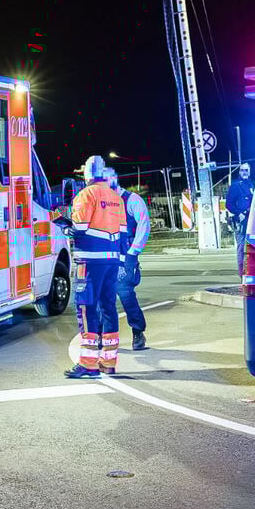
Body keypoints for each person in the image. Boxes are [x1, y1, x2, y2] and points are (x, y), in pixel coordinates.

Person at [63, 155, 127, 378]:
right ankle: (108, 363)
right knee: (108, 308)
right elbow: (123, 235)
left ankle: (89, 364)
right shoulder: (115, 197)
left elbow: (79, 228)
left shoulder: (85, 195)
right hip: (111, 261)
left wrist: (65, 228)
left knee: (86, 308)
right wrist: (121, 261)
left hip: (89, 262)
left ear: (87, 174)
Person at [102, 167, 150, 351]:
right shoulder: (103, 203)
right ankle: (103, 337)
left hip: (125, 259)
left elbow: (144, 227)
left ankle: (138, 331)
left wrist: (133, 253)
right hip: (106, 259)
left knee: (127, 297)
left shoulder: (132, 200)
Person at [226, 162, 255, 275]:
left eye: (246, 170)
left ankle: (251, 271)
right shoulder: (235, 185)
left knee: (252, 246)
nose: (244, 172)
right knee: (241, 247)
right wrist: (239, 213)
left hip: (251, 221)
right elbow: (229, 204)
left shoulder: (252, 184)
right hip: (241, 221)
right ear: (239, 172)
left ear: (249, 171)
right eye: (242, 170)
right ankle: (242, 273)